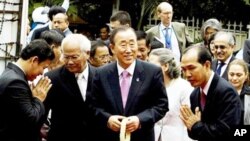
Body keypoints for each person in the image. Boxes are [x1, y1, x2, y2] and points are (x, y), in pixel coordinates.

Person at [86, 26, 169, 141]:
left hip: (141, 136)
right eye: (123, 45)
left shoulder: (152, 72)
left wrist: (140, 120)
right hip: (109, 135)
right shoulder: (101, 74)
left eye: (132, 44)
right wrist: (108, 119)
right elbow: (92, 106)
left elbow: (161, 105)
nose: (128, 50)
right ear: (112, 48)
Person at [180, 45, 242, 141]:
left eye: (191, 68)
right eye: (183, 70)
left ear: (207, 65)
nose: (187, 74)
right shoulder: (195, 94)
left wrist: (196, 126)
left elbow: (227, 131)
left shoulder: (226, 92)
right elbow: (193, 133)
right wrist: (192, 125)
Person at [43, 34, 96, 141]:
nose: (70, 62)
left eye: (74, 57)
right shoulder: (52, 78)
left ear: (87, 54)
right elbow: (42, 114)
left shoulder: (100, 76)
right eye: (66, 57)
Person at [0, 39, 55, 141]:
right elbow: (30, 121)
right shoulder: (16, 83)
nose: (42, 73)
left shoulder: (13, 74)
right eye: (43, 67)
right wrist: (38, 99)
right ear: (34, 60)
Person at [148, 48, 194, 141]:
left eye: (152, 65)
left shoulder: (184, 87)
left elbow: (189, 122)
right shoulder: (150, 87)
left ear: (165, 66)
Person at [228, 59, 250, 125]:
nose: (234, 78)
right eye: (231, 74)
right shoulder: (219, 93)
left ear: (246, 76)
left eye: (239, 75)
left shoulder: (248, 94)